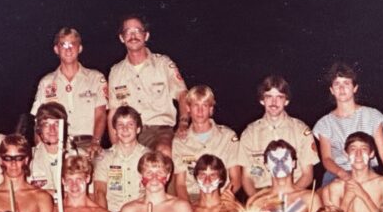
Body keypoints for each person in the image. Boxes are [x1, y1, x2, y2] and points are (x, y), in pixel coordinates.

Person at [107, 14, 187, 159]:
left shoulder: (164, 64)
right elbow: (113, 111)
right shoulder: (116, 72)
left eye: (138, 30)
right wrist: (115, 147)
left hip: (160, 131)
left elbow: (183, 94)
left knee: (163, 151)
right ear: (121, 38)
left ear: (146, 35)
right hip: (129, 132)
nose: (133, 35)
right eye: (128, 32)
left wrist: (183, 123)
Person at [312, 63, 383, 184]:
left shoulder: (372, 115)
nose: (342, 89)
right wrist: (343, 175)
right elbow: (327, 159)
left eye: (346, 83)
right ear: (332, 90)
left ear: (355, 88)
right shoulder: (324, 124)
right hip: (337, 174)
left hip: (366, 171)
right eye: (337, 84)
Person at [30, 27, 108, 150]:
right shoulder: (46, 82)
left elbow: (101, 114)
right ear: (56, 49)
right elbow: (39, 122)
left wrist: (96, 142)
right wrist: (41, 152)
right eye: (63, 45)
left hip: (88, 144)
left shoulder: (96, 78)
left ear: (80, 48)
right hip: (58, 146)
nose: (68, 49)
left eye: (72, 44)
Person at [239, 75, 317, 196]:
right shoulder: (249, 133)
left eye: (279, 97)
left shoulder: (301, 131)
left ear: (286, 101)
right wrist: (257, 200)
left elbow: (307, 175)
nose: (274, 102)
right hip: (262, 193)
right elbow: (247, 177)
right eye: (269, 96)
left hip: (295, 191)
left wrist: (288, 197)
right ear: (261, 100)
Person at [171, 85, 243, 200]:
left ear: (211, 109)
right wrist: (188, 208)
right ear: (188, 108)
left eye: (204, 105)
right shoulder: (180, 142)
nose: (200, 111)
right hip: (193, 196)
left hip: (221, 195)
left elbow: (236, 180)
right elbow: (180, 185)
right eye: (196, 105)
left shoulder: (228, 137)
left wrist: (221, 201)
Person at [93, 105, 147, 212]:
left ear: (138, 129)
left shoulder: (148, 156)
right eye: (120, 125)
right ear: (115, 130)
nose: (125, 129)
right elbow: (99, 192)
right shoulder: (105, 158)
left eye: (130, 124)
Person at [28, 102, 68, 196]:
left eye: (57, 123)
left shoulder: (78, 155)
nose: (52, 129)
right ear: (39, 128)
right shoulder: (28, 157)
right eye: (46, 124)